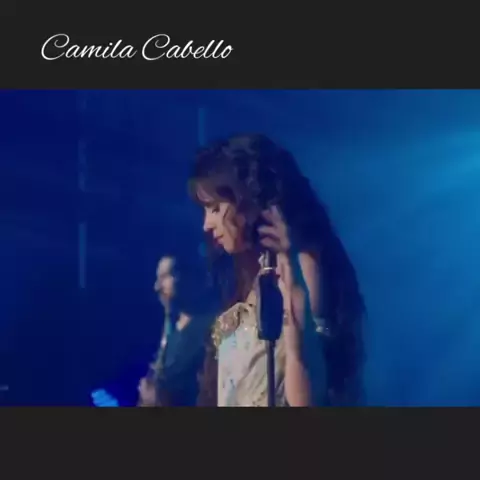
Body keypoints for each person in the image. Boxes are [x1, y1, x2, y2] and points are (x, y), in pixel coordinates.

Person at [190, 134, 365, 407]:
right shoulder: (246, 274)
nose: (206, 224)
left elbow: (309, 387)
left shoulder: (302, 265)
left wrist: (291, 274)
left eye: (214, 208)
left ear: (246, 199)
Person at [137, 254, 217, 406]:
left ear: (188, 277)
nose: (157, 287)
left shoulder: (212, 327)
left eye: (164, 277)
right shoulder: (171, 326)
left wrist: (158, 397)